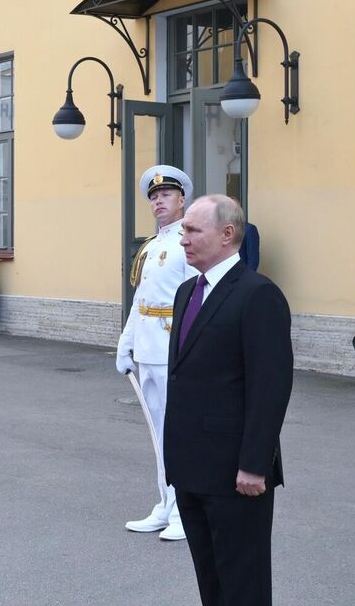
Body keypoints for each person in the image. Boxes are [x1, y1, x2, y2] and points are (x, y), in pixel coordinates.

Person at [166, 195, 293, 606]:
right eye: (183, 229)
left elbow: (270, 386)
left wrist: (255, 465)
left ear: (227, 234)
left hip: (237, 474)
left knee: (244, 583)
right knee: (211, 580)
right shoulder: (187, 291)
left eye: (192, 230)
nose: (183, 239)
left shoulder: (258, 295)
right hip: (191, 468)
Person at [115, 165, 194, 542]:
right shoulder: (152, 245)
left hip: (172, 348)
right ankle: (166, 503)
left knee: (179, 433)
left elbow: (195, 303)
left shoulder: (187, 242)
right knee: (157, 433)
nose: (158, 201)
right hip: (147, 346)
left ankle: (184, 511)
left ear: (182, 200)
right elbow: (140, 300)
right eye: (153, 196)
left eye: (165, 195)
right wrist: (126, 341)